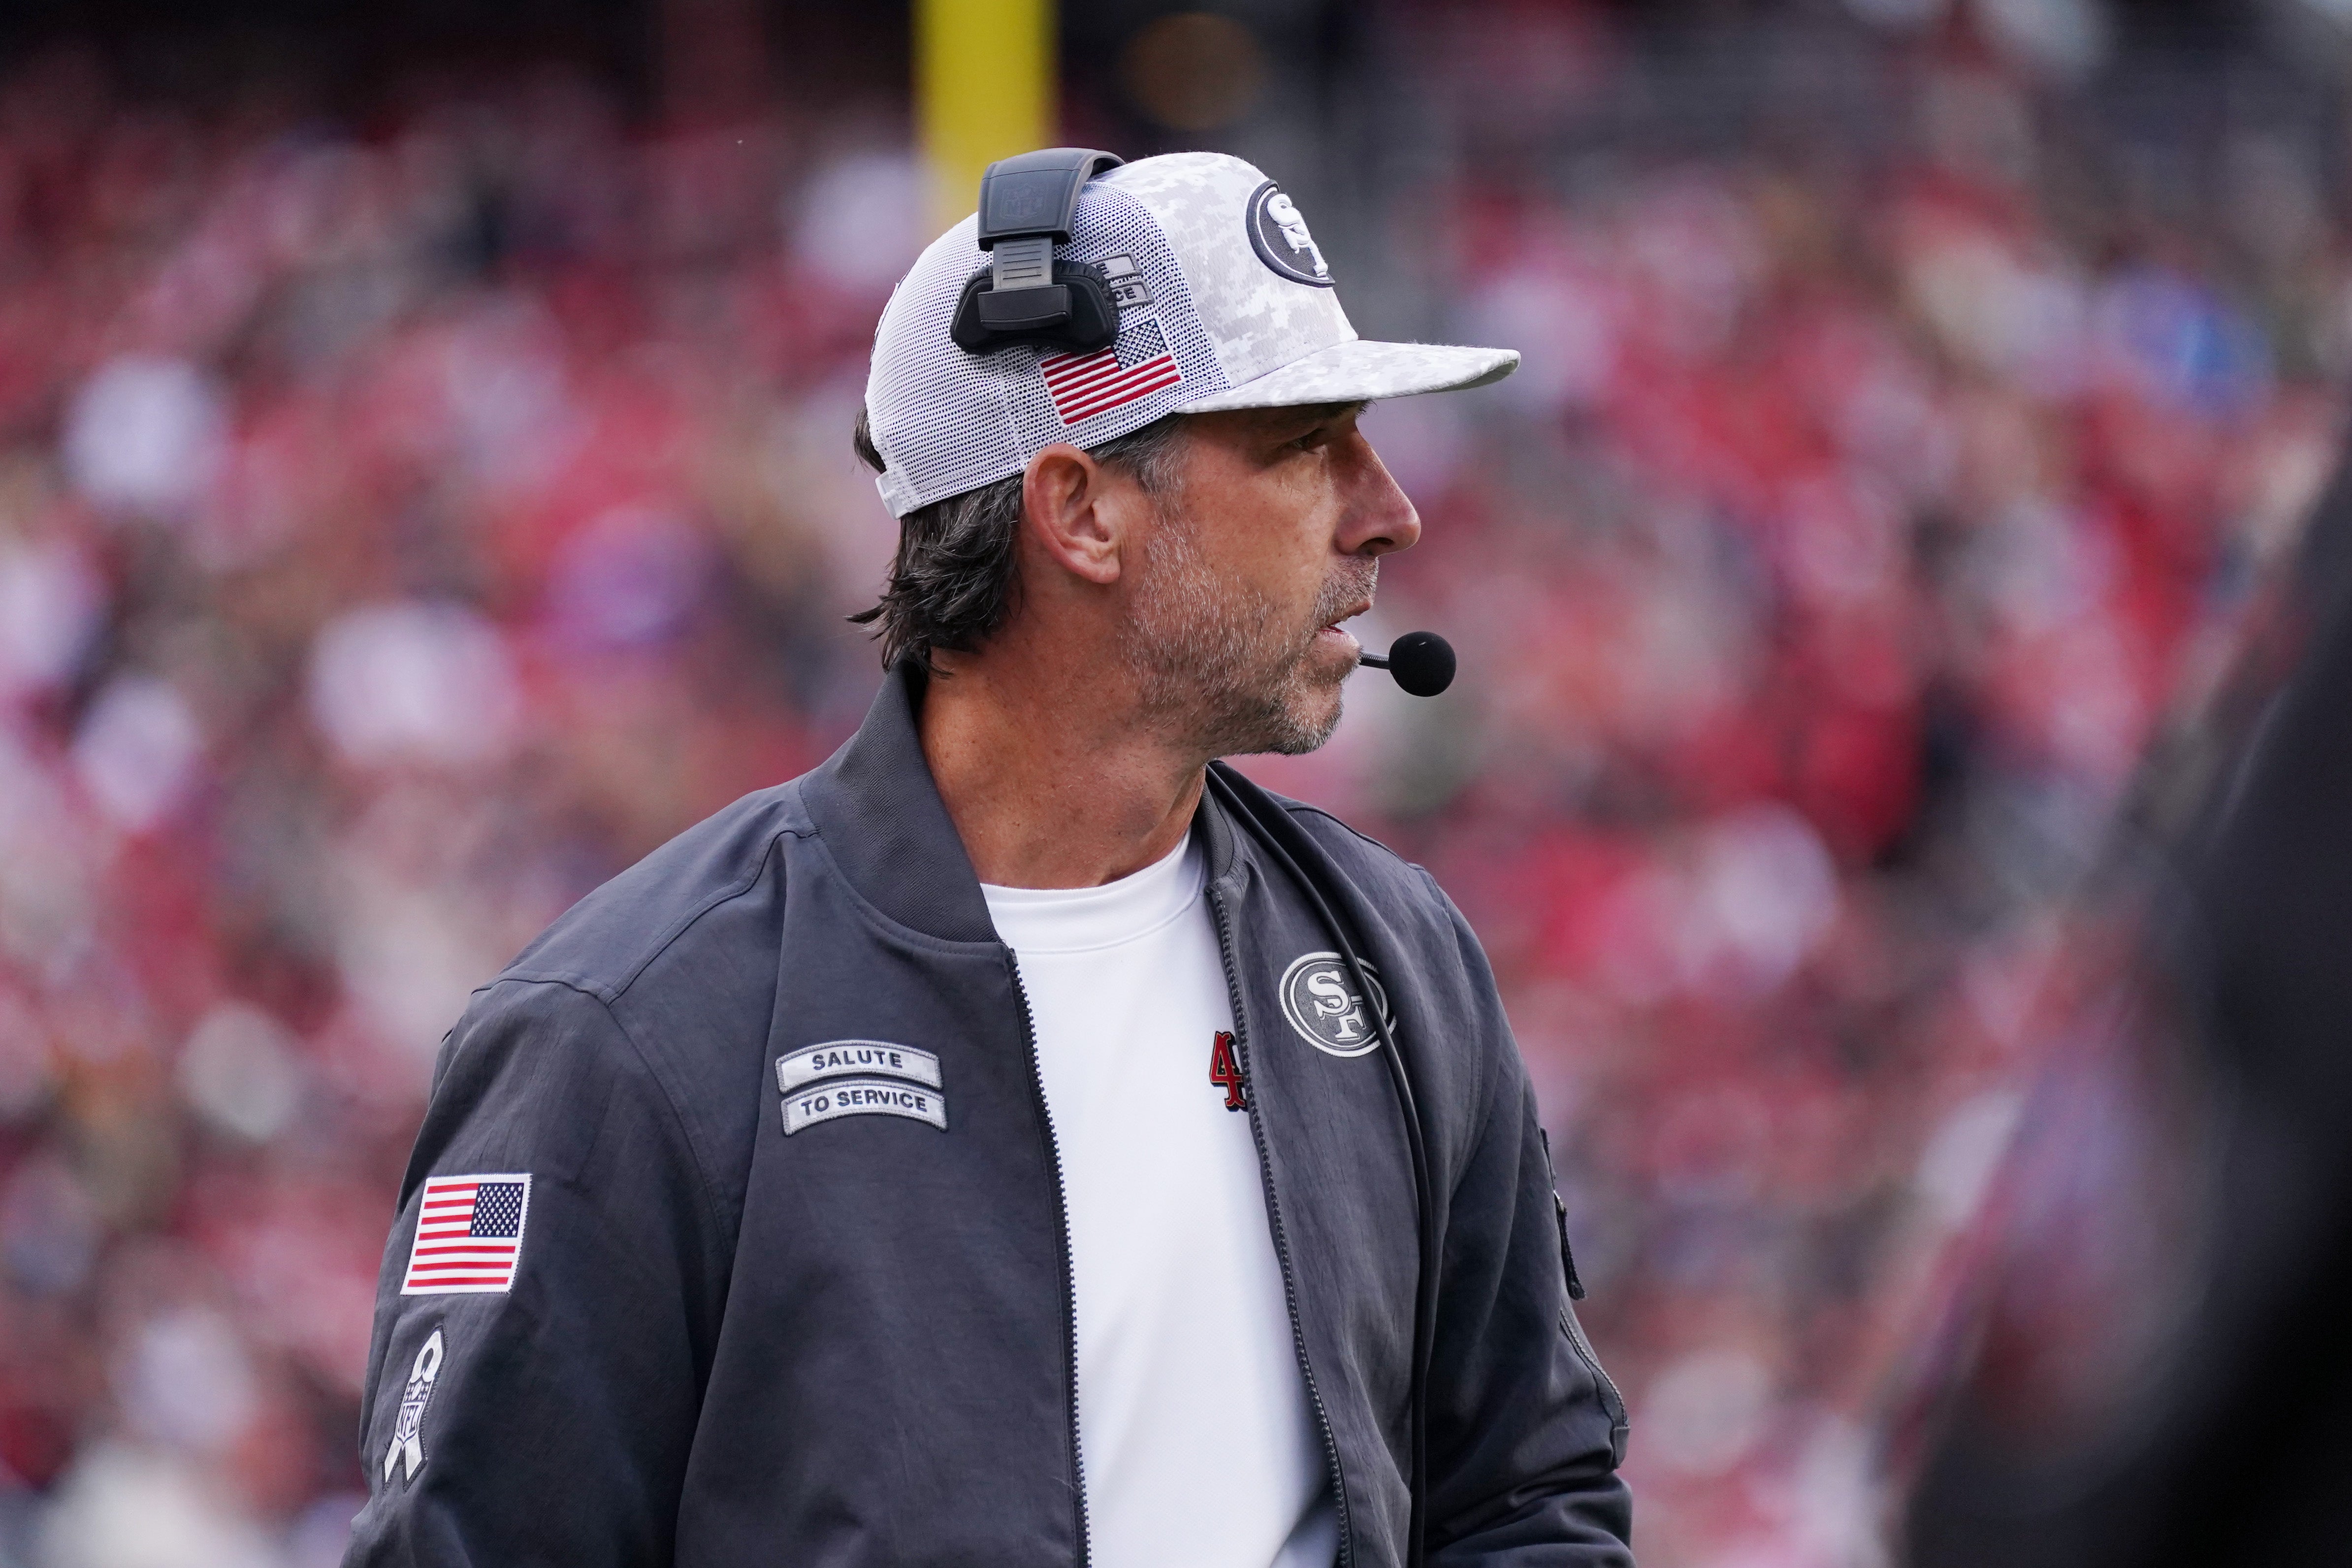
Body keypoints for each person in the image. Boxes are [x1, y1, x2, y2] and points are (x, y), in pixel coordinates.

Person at [343, 149, 1633, 1568]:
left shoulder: (1397, 960)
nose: (1387, 507)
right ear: (1079, 509)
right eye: (1300, 443)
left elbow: (1523, 1496)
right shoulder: (631, 1032)